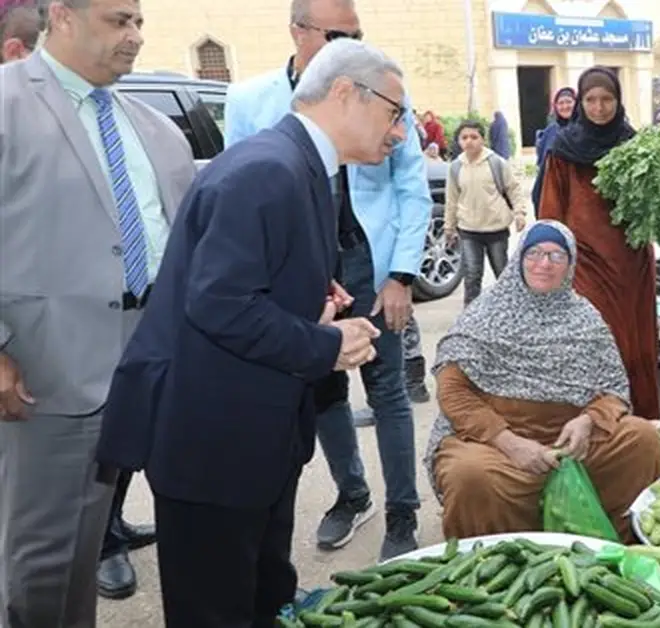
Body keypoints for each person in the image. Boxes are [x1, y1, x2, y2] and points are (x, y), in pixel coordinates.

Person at [96, 39, 398, 627]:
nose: (400, 132)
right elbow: (219, 304)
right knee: (218, 608)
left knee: (264, 594)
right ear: (345, 93)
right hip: (214, 446)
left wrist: (313, 300)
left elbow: (251, 280)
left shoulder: (299, 165)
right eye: (393, 112)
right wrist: (326, 345)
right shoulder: (268, 169)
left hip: (254, 441)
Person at [0, 0, 197, 622]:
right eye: (119, 20)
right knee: (41, 562)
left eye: (139, 22)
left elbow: (193, 244)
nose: (135, 37)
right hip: (43, 371)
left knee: (83, 550)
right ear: (62, 16)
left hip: (153, 363)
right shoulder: (6, 105)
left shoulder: (154, 128)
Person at [224, 0, 432, 558]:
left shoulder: (382, 94)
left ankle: (402, 514)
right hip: (299, 268)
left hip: (367, 260)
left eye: (358, 33)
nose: (352, 44)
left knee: (387, 389)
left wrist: (401, 276)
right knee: (323, 387)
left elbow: (412, 187)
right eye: (339, 33)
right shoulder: (250, 100)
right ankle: (352, 493)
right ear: (298, 31)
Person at [423, 220, 660, 542]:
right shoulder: (485, 314)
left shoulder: (585, 318)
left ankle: (608, 547)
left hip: (570, 442)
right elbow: (453, 391)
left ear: (570, 264)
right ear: (518, 259)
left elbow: (613, 391)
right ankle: (495, 565)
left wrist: (588, 422)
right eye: (534, 253)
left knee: (642, 440)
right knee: (470, 476)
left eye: (555, 256)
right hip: (494, 440)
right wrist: (508, 442)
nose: (543, 264)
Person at [538, 67, 660, 420]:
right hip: (586, 265)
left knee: (636, 349)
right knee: (596, 345)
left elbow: (654, 203)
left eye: (607, 99)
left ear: (618, 100)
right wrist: (551, 263)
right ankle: (596, 429)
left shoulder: (634, 145)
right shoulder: (563, 148)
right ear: (580, 102)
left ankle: (637, 430)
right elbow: (551, 211)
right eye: (591, 99)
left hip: (631, 264)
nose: (599, 107)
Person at [445, 120, 529, 306]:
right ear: (459, 141)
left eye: (474, 137)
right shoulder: (455, 167)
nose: (469, 141)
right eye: (464, 137)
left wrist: (520, 213)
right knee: (472, 275)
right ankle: (471, 317)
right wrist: (449, 227)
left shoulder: (496, 163)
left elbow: (513, 189)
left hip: (495, 229)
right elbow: (451, 200)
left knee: (502, 272)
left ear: (483, 139)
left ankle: (509, 310)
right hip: (468, 230)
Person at [532, 86, 576, 214]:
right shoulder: (551, 131)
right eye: (560, 103)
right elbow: (542, 160)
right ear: (555, 106)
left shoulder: (582, 129)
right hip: (551, 183)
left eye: (569, 102)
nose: (565, 106)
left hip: (575, 186)